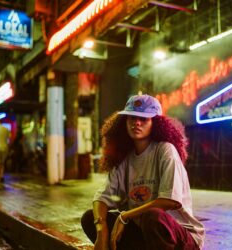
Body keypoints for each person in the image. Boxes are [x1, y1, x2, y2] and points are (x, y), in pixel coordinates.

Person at [81, 94, 205, 250]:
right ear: (124, 123)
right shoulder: (124, 157)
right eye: (131, 118)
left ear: (156, 123)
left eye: (144, 119)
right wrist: (102, 231)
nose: (136, 123)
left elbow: (169, 201)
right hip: (145, 235)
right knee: (89, 218)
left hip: (180, 239)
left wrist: (125, 216)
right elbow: (101, 198)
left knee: (153, 216)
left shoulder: (165, 150)